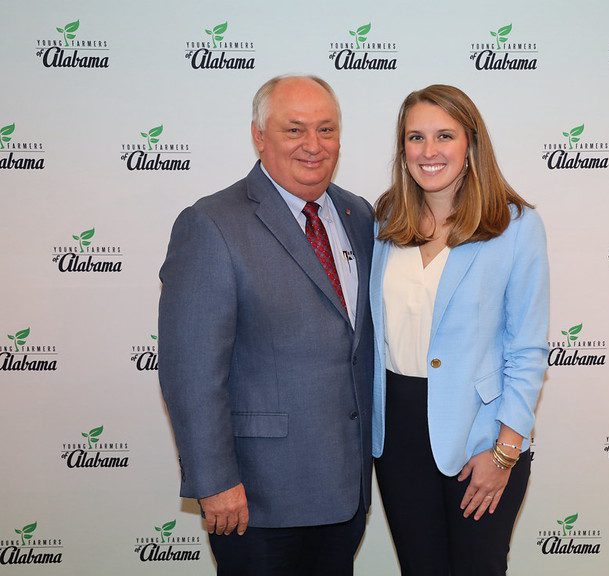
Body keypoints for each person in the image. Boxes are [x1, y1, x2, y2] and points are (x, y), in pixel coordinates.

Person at [158, 75, 374, 576]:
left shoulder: (358, 215)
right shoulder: (211, 224)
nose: (313, 145)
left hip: (345, 491)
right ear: (259, 136)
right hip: (256, 500)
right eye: (294, 129)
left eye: (326, 129)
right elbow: (191, 372)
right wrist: (214, 481)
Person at [370, 84, 549, 575]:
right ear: (402, 149)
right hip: (397, 436)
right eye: (415, 137)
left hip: (480, 436)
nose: (429, 151)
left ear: (470, 144)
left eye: (444, 136)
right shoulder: (385, 220)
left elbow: (528, 349)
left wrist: (505, 451)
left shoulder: (514, 226)